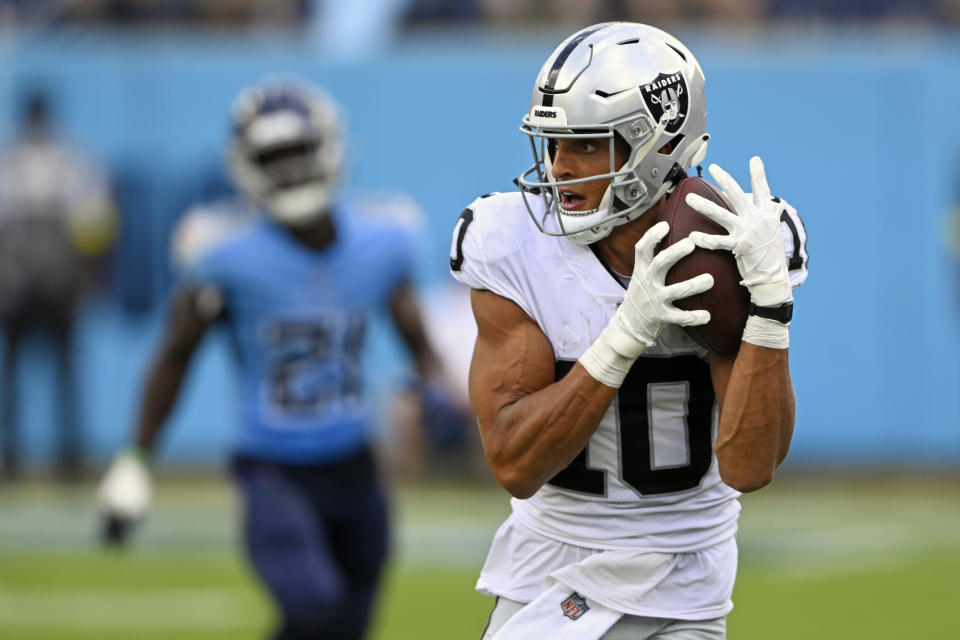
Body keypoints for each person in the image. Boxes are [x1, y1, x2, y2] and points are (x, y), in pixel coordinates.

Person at [449, 22, 809, 639]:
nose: (558, 169)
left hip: (687, 578)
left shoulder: (727, 245)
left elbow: (750, 465)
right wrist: (623, 337)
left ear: (656, 145)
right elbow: (514, 463)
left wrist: (769, 310)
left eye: (586, 145)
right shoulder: (511, 242)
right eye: (552, 144)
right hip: (550, 568)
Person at [97, 77, 464, 640]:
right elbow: (174, 357)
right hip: (273, 473)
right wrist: (135, 459)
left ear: (330, 147)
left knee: (345, 626)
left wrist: (437, 389)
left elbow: (418, 342)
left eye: (299, 152)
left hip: (357, 469)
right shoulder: (222, 254)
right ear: (246, 164)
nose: (291, 169)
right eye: (275, 156)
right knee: (314, 607)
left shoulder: (381, 241)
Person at [0, 88, 117, 480]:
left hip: (37, 284)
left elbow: (94, 223)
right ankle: (46, 457)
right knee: (40, 375)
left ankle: (46, 456)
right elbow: (95, 222)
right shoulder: (68, 161)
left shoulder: (22, 162)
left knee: (47, 374)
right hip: (39, 284)